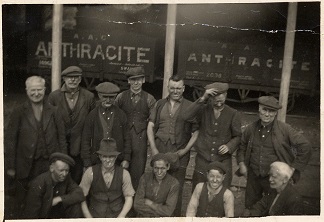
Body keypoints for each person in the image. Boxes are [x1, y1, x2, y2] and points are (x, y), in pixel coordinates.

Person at [4, 76, 66, 217]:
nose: (36, 93)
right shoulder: (19, 111)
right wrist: (11, 167)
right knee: (24, 201)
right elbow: (11, 140)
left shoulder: (54, 111)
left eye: (39, 90)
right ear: (27, 91)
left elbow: (62, 138)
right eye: (33, 90)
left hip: (49, 163)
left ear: (45, 90)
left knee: (46, 199)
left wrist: (63, 161)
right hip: (25, 165)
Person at [237, 96, 311, 209]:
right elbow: (242, 146)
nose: (267, 114)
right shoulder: (250, 128)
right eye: (264, 110)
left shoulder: (284, 129)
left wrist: (293, 168)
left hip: (273, 179)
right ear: (259, 109)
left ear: (276, 113)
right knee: (251, 207)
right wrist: (242, 164)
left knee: (271, 207)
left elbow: (305, 146)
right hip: (254, 176)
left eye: (271, 111)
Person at [147, 75, 199, 216]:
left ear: (183, 88)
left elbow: (196, 132)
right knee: (157, 187)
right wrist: (153, 149)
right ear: (168, 88)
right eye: (172, 88)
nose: (175, 91)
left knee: (176, 188)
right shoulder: (159, 104)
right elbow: (150, 126)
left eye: (178, 88)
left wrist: (185, 151)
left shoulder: (190, 106)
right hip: (160, 149)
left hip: (179, 153)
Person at [183, 82, 242, 190]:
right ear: (210, 98)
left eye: (221, 98)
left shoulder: (233, 113)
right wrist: (203, 98)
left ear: (226, 95)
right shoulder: (203, 109)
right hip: (203, 159)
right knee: (199, 190)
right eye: (215, 99)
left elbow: (238, 136)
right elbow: (186, 116)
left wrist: (229, 146)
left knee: (222, 193)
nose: (218, 102)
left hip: (223, 161)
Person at [48, 66, 96, 183]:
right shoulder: (54, 97)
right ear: (64, 78)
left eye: (76, 78)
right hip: (59, 145)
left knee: (76, 176)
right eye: (70, 78)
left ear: (80, 79)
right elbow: (50, 122)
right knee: (59, 176)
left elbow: (92, 123)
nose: (73, 80)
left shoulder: (88, 97)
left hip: (79, 146)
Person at [115, 67, 156, 190]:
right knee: (120, 169)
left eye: (139, 79)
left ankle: (134, 203)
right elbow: (114, 117)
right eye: (133, 80)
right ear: (128, 81)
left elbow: (153, 121)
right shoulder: (121, 97)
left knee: (137, 171)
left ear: (143, 80)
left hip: (140, 138)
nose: (136, 83)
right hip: (123, 138)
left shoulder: (150, 99)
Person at [79, 138, 135, 218]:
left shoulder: (124, 174)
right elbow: (81, 197)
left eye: (111, 156)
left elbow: (129, 198)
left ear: (116, 157)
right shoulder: (90, 172)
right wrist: (89, 218)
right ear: (100, 157)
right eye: (105, 156)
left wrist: (120, 218)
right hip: (95, 216)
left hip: (117, 215)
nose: (108, 160)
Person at [81, 82, 131, 169]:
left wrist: (126, 158)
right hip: (97, 160)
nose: (108, 100)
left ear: (115, 97)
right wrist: (87, 162)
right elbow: (86, 140)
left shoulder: (121, 114)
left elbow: (127, 138)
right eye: (105, 97)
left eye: (111, 97)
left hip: (117, 160)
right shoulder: (92, 115)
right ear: (99, 95)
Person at [22, 152, 85, 219]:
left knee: (75, 206)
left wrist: (59, 199)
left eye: (67, 170)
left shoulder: (67, 178)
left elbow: (79, 193)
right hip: (42, 217)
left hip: (56, 215)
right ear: (51, 168)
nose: (64, 174)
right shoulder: (38, 183)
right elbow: (32, 215)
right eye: (61, 170)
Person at [134, 153, 180, 217]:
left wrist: (151, 204)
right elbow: (137, 204)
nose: (159, 172)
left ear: (168, 167)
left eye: (162, 168)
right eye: (156, 168)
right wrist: (159, 210)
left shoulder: (174, 183)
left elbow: (168, 210)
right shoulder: (145, 178)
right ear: (152, 167)